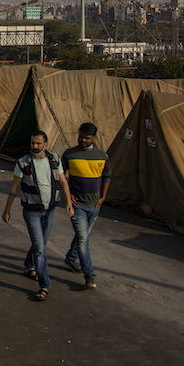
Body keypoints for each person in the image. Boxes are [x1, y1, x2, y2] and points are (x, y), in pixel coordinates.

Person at [2, 130, 73, 301]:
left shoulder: (55, 160)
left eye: (38, 143)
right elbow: (14, 188)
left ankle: (29, 265)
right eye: (33, 143)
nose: (35, 146)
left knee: (40, 244)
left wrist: (69, 203)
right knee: (40, 249)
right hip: (32, 213)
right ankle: (44, 285)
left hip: (49, 212)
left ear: (45, 144)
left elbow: (63, 182)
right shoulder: (23, 163)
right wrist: (7, 210)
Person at [62, 122, 111, 290]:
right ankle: (89, 275)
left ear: (94, 138)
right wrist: (68, 195)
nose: (83, 140)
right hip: (78, 206)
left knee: (82, 235)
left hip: (95, 205)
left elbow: (107, 176)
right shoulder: (69, 154)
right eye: (81, 137)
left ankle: (71, 258)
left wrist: (103, 197)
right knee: (83, 239)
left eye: (87, 138)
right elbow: (60, 175)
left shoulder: (103, 156)